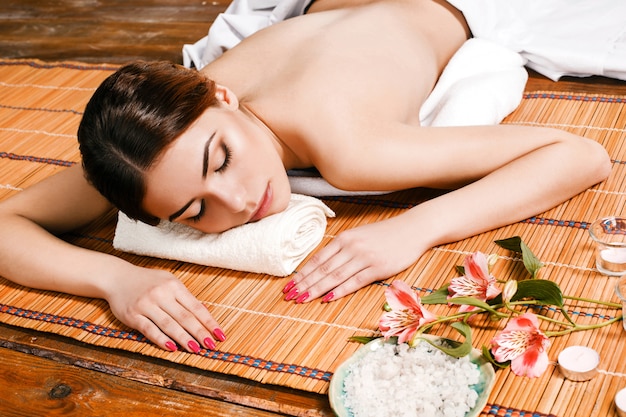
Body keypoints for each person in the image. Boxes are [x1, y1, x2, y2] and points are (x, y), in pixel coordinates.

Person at [0, 0, 612, 354]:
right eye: (193, 213)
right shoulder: (155, 152)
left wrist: (413, 228)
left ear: (221, 95)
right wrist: (117, 279)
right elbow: (7, 225)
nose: (240, 201)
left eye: (223, 159)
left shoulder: (351, 147)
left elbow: (580, 155)